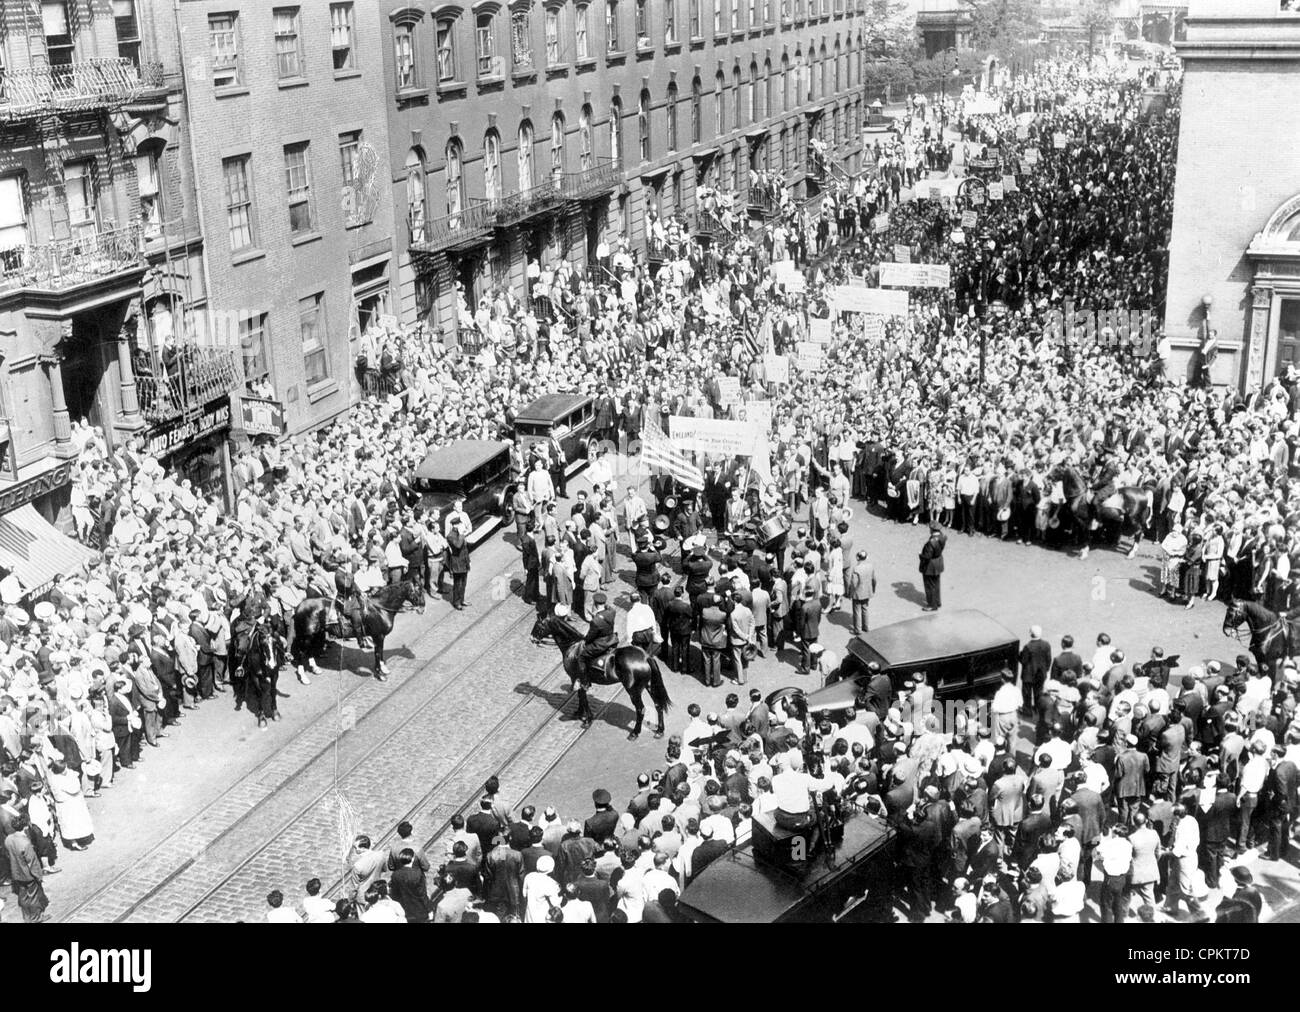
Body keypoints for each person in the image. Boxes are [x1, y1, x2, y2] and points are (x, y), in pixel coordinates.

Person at [849, 549, 876, 636]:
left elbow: (854, 583)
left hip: (857, 593)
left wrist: (851, 593)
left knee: (857, 611)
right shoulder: (870, 566)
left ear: (858, 558)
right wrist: (873, 589)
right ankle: (866, 626)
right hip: (867, 591)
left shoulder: (856, 568)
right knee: (865, 609)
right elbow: (874, 579)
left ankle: (858, 630)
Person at [919, 523, 946, 611]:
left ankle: (931, 604)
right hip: (938, 562)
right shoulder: (943, 537)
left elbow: (927, 556)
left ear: (931, 530)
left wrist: (921, 556)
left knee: (929, 585)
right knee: (936, 583)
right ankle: (937, 602)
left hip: (930, 565)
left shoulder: (931, 542)